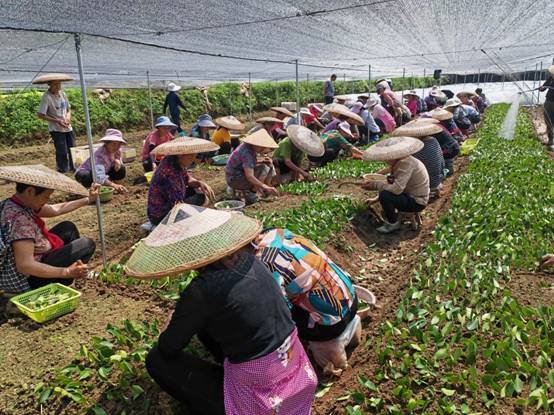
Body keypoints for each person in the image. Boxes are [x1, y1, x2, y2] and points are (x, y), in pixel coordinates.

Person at [124, 204, 317, 415]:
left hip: (264, 402)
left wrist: (168, 327)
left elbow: (168, 347)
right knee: (206, 324)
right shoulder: (251, 260)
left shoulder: (201, 291)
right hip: (298, 377)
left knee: (156, 360)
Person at [254, 228, 362, 371]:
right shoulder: (279, 232)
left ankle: (332, 341)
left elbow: (281, 310)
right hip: (350, 298)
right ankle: (347, 326)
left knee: (278, 317)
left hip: (331, 322)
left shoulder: (264, 262)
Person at [0, 165, 97, 293]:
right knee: (87, 244)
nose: (47, 200)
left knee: (68, 228)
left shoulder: (15, 203)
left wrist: (88, 199)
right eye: (46, 196)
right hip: (27, 279)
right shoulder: (19, 220)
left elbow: (55, 209)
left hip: (33, 260)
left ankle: (73, 272)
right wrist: (66, 272)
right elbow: (25, 265)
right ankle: (64, 281)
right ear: (30, 191)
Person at [361, 137, 430, 234]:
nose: (384, 160)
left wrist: (375, 185)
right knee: (386, 188)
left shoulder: (405, 164)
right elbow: (393, 183)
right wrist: (376, 199)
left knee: (385, 195)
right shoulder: (403, 161)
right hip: (412, 196)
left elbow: (396, 189)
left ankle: (393, 223)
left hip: (417, 202)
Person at [147, 137, 218, 226]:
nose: (193, 160)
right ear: (180, 155)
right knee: (199, 200)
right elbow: (177, 205)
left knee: (198, 192)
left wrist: (199, 183)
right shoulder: (169, 173)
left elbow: (187, 179)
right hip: (160, 215)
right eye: (191, 156)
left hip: (171, 203)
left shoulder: (175, 162)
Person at [34, 73, 75, 173]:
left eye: (59, 84)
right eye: (55, 84)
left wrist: (68, 118)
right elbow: (40, 114)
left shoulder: (62, 94)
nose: (58, 86)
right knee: (62, 150)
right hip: (56, 129)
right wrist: (57, 121)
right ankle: (62, 169)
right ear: (49, 85)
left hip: (67, 127)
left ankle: (74, 167)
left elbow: (68, 109)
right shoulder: (47, 97)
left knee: (73, 148)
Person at [225, 129, 279, 204]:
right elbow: (250, 176)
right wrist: (265, 186)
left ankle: (263, 191)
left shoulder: (247, 147)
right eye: (262, 147)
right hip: (234, 179)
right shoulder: (247, 153)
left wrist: (261, 161)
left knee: (266, 166)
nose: (263, 149)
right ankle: (251, 194)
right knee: (264, 169)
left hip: (236, 175)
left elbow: (246, 164)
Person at [392, 123, 446, 190]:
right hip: (438, 178)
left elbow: (408, 166)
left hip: (428, 183)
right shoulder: (433, 140)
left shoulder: (419, 147)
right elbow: (442, 162)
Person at [75, 129, 127, 193]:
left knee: (121, 169)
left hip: (104, 171)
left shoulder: (117, 151)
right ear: (106, 143)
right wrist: (114, 185)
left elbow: (117, 163)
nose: (116, 147)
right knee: (88, 177)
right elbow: (99, 176)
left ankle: (110, 182)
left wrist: (117, 160)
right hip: (86, 172)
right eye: (113, 144)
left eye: (119, 145)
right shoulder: (99, 155)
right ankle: (88, 188)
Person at [538, 65, 554, 149]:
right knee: (548, 120)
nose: (551, 74)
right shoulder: (550, 79)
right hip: (549, 102)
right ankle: (550, 139)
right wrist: (541, 88)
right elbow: (543, 88)